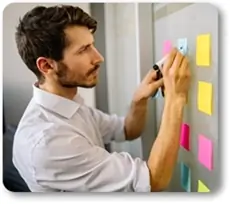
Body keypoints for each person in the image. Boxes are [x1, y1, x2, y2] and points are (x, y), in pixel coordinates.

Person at [12, 5, 191, 192]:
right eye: (83, 50)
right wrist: (176, 98)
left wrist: (139, 99)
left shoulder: (69, 106)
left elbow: (128, 130)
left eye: (92, 45)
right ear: (47, 65)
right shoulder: (49, 142)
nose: (99, 58)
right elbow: (153, 181)